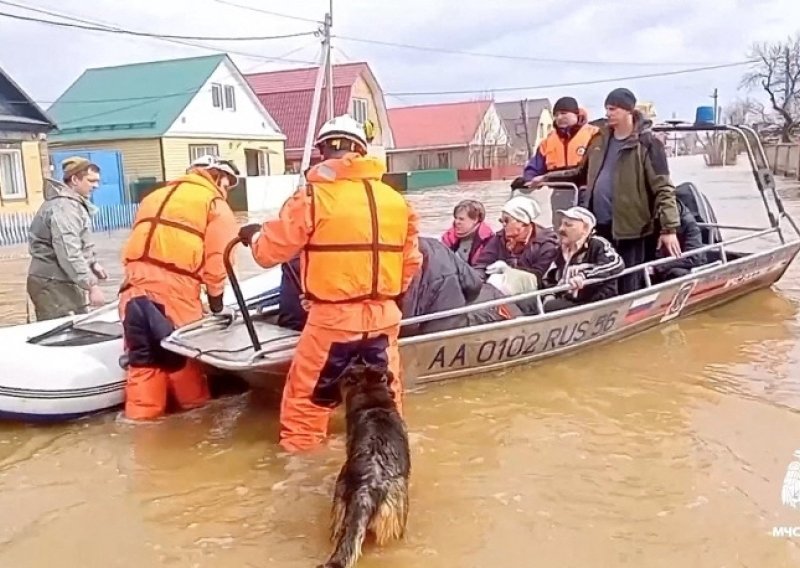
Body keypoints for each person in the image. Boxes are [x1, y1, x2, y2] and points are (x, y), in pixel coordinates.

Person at [237, 114, 423, 454]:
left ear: (323, 151)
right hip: (383, 319)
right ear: (362, 152)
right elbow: (410, 264)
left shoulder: (312, 197)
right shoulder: (397, 202)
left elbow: (268, 253)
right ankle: (391, 465)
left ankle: (302, 477)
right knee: (386, 406)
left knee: (306, 408)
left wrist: (254, 236)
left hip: (332, 322)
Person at [118, 154, 241, 420]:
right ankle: (195, 426)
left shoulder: (154, 197)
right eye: (227, 184)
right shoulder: (214, 204)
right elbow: (219, 260)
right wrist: (217, 303)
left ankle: (142, 426)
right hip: (175, 295)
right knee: (184, 363)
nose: (226, 191)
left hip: (131, 292)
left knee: (142, 363)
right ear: (218, 177)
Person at [531, 88, 682, 294]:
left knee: (629, 282)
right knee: (599, 280)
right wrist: (546, 178)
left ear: (628, 111)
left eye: (613, 109)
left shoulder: (648, 144)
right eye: (607, 109)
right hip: (599, 225)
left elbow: (663, 188)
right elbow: (579, 173)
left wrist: (669, 229)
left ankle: (635, 314)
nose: (608, 113)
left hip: (632, 228)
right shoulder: (599, 140)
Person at [26, 156, 107, 321]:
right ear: (75, 180)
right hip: (52, 283)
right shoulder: (64, 208)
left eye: (97, 181)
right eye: (91, 181)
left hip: (60, 280)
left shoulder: (72, 205)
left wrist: (92, 263)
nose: (96, 186)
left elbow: (79, 242)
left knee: (77, 326)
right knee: (62, 333)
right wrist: (92, 286)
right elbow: (68, 251)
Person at [543, 206, 625, 312]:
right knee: (531, 302)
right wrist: (550, 294)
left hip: (596, 304)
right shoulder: (560, 250)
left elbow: (616, 264)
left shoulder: (597, 244)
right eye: (561, 224)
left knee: (550, 307)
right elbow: (550, 278)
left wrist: (584, 276)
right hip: (569, 301)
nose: (561, 229)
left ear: (585, 229)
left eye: (568, 225)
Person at [651, 199, 706, 282]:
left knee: (676, 273)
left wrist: (659, 267)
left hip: (685, 266)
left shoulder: (689, 224)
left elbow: (694, 258)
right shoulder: (654, 222)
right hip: (661, 264)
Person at [440, 199, 494, 266]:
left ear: (475, 220)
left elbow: (483, 266)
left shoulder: (488, 240)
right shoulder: (449, 236)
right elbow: (440, 259)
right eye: (456, 218)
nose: (457, 222)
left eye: (461, 219)